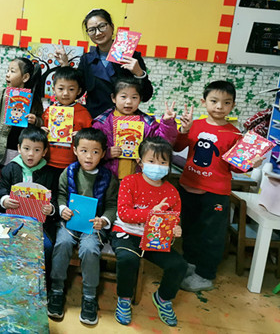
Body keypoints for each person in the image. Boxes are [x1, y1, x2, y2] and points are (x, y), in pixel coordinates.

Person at [175, 81, 263, 292]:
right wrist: (183, 130)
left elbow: (236, 167)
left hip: (215, 194)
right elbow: (177, 147)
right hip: (188, 187)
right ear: (203, 101)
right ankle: (190, 264)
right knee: (189, 229)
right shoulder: (195, 125)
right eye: (214, 101)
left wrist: (251, 163)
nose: (219, 106)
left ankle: (205, 275)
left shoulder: (235, 134)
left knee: (212, 235)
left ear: (233, 105)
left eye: (226, 102)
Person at [112, 137, 186, 327]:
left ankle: (163, 298)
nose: (157, 166)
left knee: (178, 265)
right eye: (151, 161)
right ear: (140, 162)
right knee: (128, 259)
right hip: (127, 233)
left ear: (169, 165)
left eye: (163, 162)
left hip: (155, 238)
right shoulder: (129, 182)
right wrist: (152, 213)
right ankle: (124, 299)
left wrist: (175, 228)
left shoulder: (172, 192)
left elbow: (174, 217)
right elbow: (124, 214)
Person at [48, 128, 118, 325]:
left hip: (93, 226)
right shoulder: (69, 172)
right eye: (84, 151)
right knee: (62, 243)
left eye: (95, 152)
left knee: (89, 249)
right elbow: (61, 195)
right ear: (75, 150)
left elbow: (112, 205)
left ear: (103, 154)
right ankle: (56, 289)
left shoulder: (108, 177)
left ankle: (89, 295)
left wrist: (103, 220)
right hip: (70, 223)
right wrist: (62, 209)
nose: (89, 156)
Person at [56, 8, 153, 118]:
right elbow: (77, 92)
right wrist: (65, 65)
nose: (98, 33)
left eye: (102, 26)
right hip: (95, 120)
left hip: (124, 120)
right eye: (91, 30)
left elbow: (146, 96)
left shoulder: (131, 56)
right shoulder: (86, 60)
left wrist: (139, 73)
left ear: (112, 27)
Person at [0, 127, 58, 281]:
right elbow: (1, 189)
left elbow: (56, 198)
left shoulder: (50, 173)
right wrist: (4, 200)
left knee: (46, 246)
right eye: (26, 148)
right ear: (19, 148)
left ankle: (41, 281)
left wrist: (51, 209)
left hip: (39, 224)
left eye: (37, 150)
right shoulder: (10, 169)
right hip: (12, 220)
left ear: (44, 152)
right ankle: (5, 276)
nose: (31, 154)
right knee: (2, 241)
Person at [92, 77, 178, 180]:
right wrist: (106, 153)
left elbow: (163, 142)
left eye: (134, 97)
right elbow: (91, 150)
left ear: (140, 99)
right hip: (108, 178)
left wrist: (167, 123)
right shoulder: (102, 123)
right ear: (113, 98)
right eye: (123, 97)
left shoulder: (148, 124)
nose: (129, 102)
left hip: (138, 177)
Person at [0, 52, 44, 165]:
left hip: (21, 155)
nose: (7, 75)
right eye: (7, 70)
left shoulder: (33, 99)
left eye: (12, 71)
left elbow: (42, 123)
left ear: (25, 77)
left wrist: (35, 121)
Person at [41, 66, 93, 175]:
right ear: (53, 89)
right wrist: (41, 131)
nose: (65, 93)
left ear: (79, 91)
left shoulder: (83, 113)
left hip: (73, 164)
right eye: (61, 89)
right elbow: (41, 131)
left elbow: (91, 138)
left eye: (71, 89)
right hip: (47, 161)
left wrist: (81, 136)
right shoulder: (49, 111)